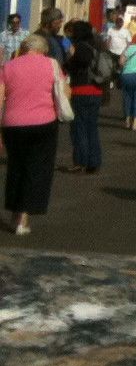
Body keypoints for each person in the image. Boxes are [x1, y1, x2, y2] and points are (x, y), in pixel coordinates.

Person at [2, 34, 69, 235]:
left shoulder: (9, 67)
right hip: (44, 122)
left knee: (16, 168)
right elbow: (65, 93)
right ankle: (23, 219)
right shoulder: (52, 65)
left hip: (13, 125)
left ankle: (15, 214)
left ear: (23, 48)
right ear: (44, 49)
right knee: (37, 169)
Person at [61, 20, 107, 175]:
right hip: (96, 89)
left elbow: (72, 66)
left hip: (81, 89)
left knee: (79, 127)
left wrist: (69, 60)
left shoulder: (81, 47)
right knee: (92, 127)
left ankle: (80, 161)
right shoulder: (98, 46)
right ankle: (94, 161)